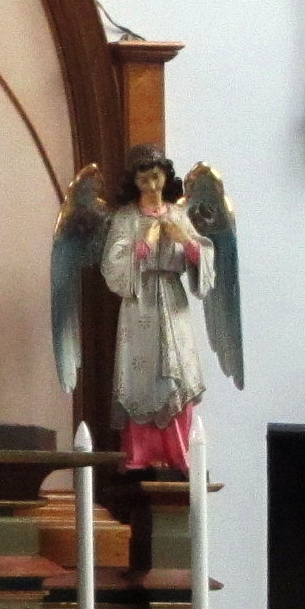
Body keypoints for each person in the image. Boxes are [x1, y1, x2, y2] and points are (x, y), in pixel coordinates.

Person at [101, 145, 215, 472]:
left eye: (156, 177)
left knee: (177, 374)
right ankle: (141, 455)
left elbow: (203, 259)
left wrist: (187, 242)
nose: (151, 186)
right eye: (143, 180)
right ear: (134, 183)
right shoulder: (127, 218)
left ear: (165, 176)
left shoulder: (178, 215)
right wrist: (142, 247)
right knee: (141, 376)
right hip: (140, 304)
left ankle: (178, 454)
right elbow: (112, 264)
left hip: (173, 300)